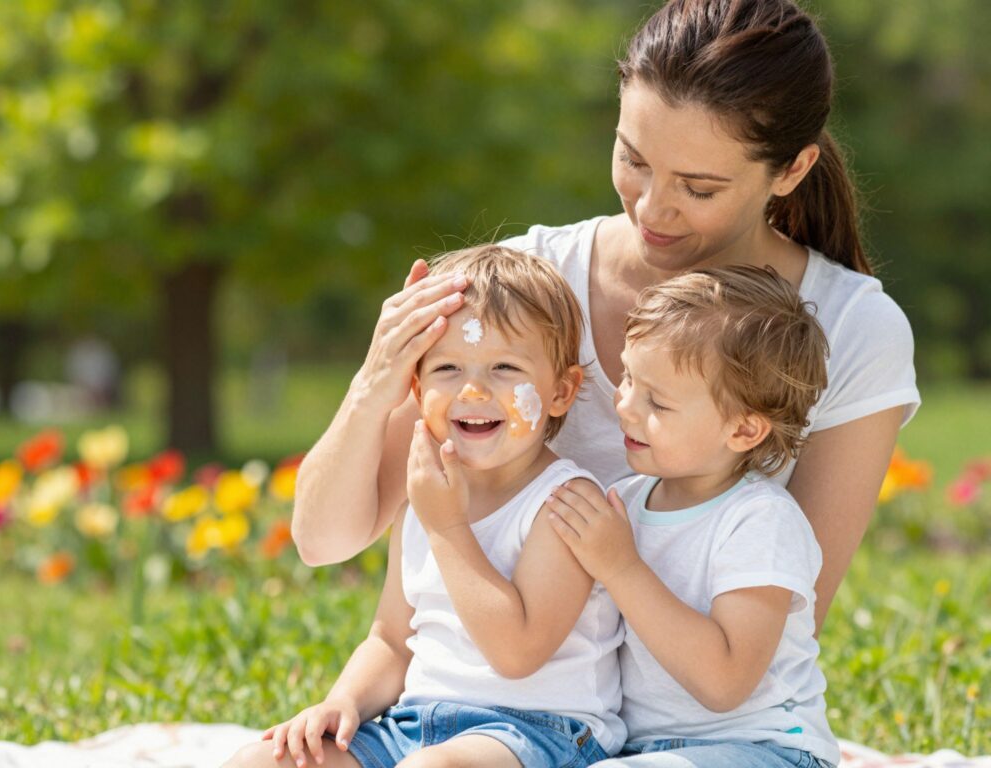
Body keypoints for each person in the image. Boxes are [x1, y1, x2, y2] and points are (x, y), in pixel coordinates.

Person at [291, 0, 920, 634]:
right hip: (502, 697)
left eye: (698, 189)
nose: (652, 208)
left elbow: (788, 624)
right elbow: (324, 542)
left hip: (689, 710)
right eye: (633, 160)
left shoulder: (851, 327)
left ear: (792, 170)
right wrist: (376, 383)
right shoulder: (519, 288)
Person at [224, 245, 625, 768]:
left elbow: (517, 653)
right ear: (415, 384)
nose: (474, 389)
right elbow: (391, 638)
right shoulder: (424, 492)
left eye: (504, 367)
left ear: (562, 391)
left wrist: (447, 526)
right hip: (414, 724)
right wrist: (342, 701)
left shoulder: (565, 501)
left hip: (538, 732)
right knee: (260, 761)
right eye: (448, 368)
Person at [547, 265, 839, 767]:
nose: (626, 407)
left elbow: (724, 682)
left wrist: (620, 568)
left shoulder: (759, 522)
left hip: (767, 750)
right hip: (639, 750)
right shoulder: (627, 500)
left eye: (657, 401)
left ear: (745, 431)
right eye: (629, 377)